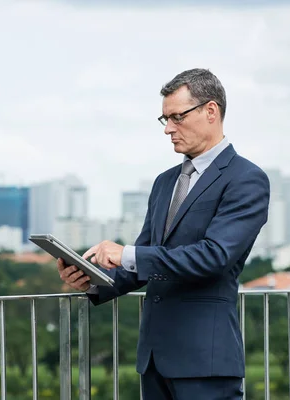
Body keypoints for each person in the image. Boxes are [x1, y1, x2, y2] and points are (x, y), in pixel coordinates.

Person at [57, 68, 270, 400]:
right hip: (154, 361)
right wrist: (93, 280)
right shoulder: (164, 182)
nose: (169, 128)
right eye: (164, 119)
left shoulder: (246, 179)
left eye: (177, 117)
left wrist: (126, 254)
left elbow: (213, 257)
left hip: (206, 361)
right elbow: (145, 259)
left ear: (210, 111)